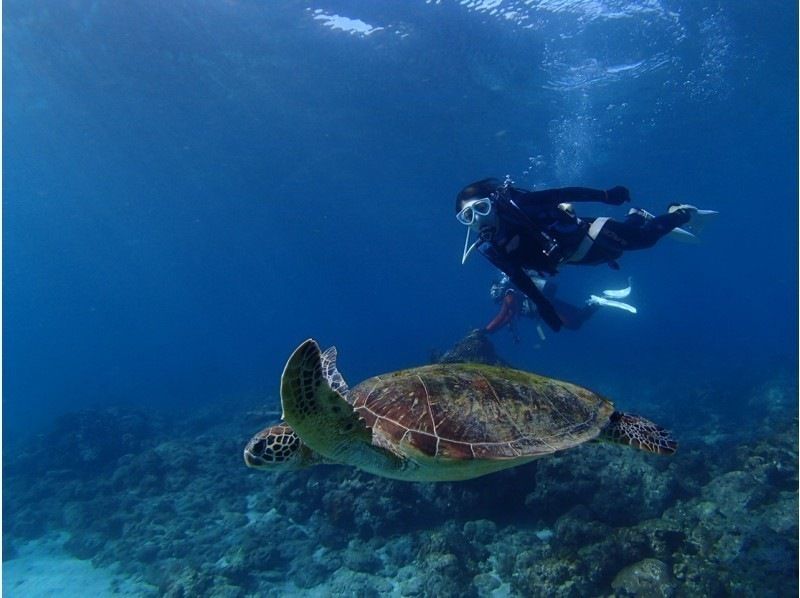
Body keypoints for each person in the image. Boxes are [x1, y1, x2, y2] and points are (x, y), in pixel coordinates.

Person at [455, 178, 715, 332]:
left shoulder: (520, 205)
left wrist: (605, 196)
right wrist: (544, 306)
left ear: (493, 203)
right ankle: (637, 216)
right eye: (468, 216)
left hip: (591, 233)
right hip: (579, 257)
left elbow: (562, 194)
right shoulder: (489, 248)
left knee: (644, 240)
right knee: (620, 249)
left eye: (481, 208)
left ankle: (681, 212)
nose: (478, 218)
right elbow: (518, 277)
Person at [485, 272, 635, 342]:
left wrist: (487, 330)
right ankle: (597, 301)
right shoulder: (512, 295)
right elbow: (508, 316)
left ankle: (597, 303)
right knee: (577, 317)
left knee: (573, 323)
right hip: (548, 303)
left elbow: (505, 315)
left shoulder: (508, 297)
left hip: (547, 307)